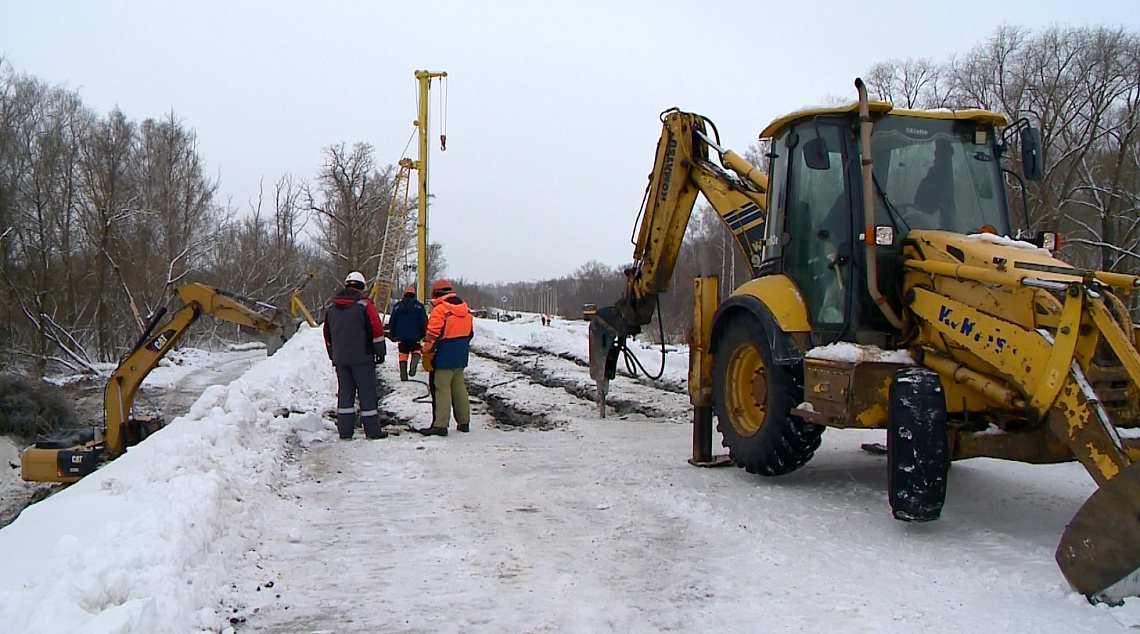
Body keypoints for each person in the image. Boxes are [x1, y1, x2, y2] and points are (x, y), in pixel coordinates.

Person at [323, 271, 387, 440]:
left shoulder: (331, 308)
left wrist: (333, 355)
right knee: (366, 394)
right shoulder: (365, 305)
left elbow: (327, 335)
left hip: (341, 359)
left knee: (345, 393)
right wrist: (380, 352)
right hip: (363, 358)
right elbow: (377, 330)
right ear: (362, 287)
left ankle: (345, 431)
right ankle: (372, 431)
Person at [418, 279, 473, 437]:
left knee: (441, 389)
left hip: (443, 356)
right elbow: (470, 333)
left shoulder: (440, 310)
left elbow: (432, 335)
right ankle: (464, 422)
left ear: (435, 293)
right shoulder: (465, 307)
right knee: (459, 388)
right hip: (460, 355)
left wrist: (427, 353)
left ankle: (440, 425)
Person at [387, 285, 427, 381]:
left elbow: (392, 321)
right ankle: (413, 364)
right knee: (416, 350)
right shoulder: (419, 306)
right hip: (415, 335)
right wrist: (423, 334)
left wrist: (393, 334)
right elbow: (424, 321)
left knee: (403, 354)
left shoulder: (397, 306)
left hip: (402, 336)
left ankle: (403, 375)